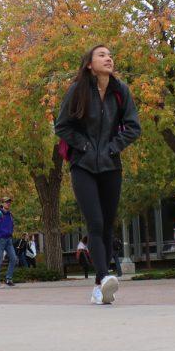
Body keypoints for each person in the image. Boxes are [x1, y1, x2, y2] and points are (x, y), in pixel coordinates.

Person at [55, 44, 141, 305]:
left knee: (107, 223)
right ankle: (104, 278)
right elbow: (62, 126)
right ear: (90, 64)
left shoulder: (120, 91)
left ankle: (98, 288)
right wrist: (85, 147)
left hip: (111, 165)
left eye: (110, 55)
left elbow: (134, 127)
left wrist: (113, 147)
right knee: (94, 222)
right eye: (101, 55)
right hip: (83, 166)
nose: (108, 58)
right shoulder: (78, 90)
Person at [0, 198, 18, 287]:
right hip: (0, 240)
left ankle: (8, 279)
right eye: (6, 202)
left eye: (9, 202)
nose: (8, 204)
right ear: (2, 203)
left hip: (8, 239)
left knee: (13, 259)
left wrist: (10, 233)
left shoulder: (9, 214)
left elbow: (11, 225)